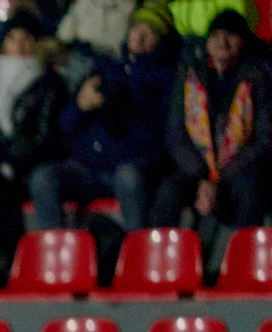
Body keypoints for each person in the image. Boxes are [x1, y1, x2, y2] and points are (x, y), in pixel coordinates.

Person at [34, 3, 177, 227]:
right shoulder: (105, 68)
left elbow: (161, 137)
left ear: (161, 41)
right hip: (87, 167)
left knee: (128, 177)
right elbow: (65, 126)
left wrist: (127, 108)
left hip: (128, 168)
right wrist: (80, 106)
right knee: (44, 177)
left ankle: (136, 245)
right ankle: (56, 246)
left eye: (149, 33)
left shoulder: (165, 79)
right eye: (136, 29)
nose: (139, 37)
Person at [0, 12, 70, 238]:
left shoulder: (50, 83)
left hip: (27, 164)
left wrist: (10, 162)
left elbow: (44, 136)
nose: (19, 45)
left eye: (26, 38)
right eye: (12, 39)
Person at [160, 9, 272, 228]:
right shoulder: (190, 74)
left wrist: (220, 178)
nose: (222, 41)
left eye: (230, 35)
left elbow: (264, 140)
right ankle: (159, 249)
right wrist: (204, 176)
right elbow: (175, 133)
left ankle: (245, 248)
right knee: (169, 190)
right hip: (198, 168)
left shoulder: (258, 77)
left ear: (243, 42)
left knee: (249, 190)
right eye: (216, 35)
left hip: (239, 169)